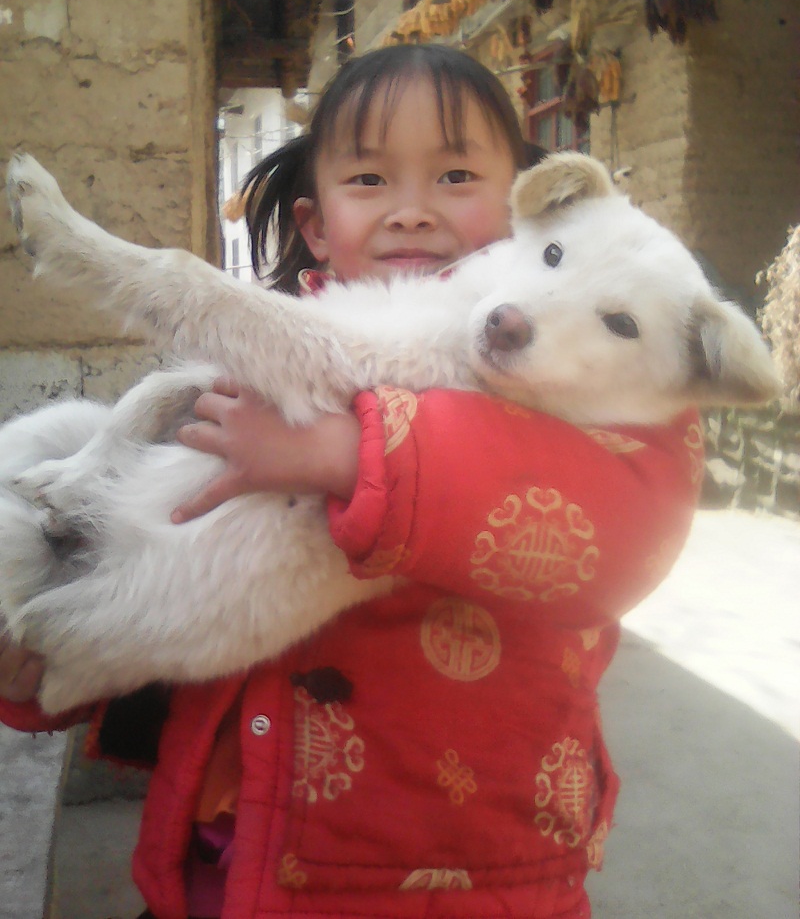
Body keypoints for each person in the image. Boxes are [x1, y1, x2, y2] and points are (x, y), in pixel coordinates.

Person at [0, 44, 701, 919]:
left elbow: (629, 529)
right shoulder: (306, 337)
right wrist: (43, 674)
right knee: (47, 444)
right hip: (231, 844)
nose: (412, 210)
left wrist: (348, 457)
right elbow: (173, 572)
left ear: (528, 208)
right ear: (316, 224)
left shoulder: (599, 386)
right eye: (370, 180)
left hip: (454, 879)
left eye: (455, 176)